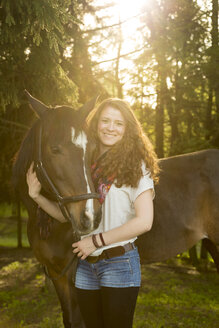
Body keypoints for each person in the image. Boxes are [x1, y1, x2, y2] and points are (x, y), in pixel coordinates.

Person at [26, 98, 159, 328]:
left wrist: (95, 241)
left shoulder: (136, 166)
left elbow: (145, 221)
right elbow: (66, 216)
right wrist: (36, 196)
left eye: (118, 123)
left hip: (119, 263)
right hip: (87, 267)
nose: (110, 127)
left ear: (127, 128)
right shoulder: (89, 166)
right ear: (96, 123)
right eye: (105, 120)